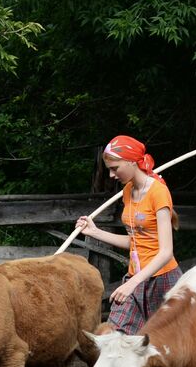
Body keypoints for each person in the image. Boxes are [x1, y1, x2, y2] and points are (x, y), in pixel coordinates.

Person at [74, 135, 180, 334]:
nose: (112, 175)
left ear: (132, 162)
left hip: (162, 279)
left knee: (164, 344)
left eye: (115, 168)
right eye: (109, 170)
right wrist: (94, 232)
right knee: (115, 337)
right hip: (135, 276)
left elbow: (166, 252)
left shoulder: (158, 192)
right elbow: (135, 241)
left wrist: (132, 283)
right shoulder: (127, 191)